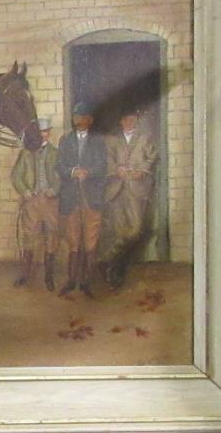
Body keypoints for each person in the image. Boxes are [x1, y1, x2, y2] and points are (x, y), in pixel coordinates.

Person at [101, 109, 159, 289]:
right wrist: (116, 169)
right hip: (116, 190)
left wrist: (141, 171)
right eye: (126, 119)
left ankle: (110, 258)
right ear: (121, 121)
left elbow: (152, 158)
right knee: (119, 230)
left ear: (136, 120)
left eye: (132, 119)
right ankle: (115, 271)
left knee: (135, 230)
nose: (129, 122)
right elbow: (107, 160)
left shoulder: (144, 138)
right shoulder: (112, 140)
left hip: (136, 190)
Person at [55, 103, 106, 297]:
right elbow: (59, 166)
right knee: (73, 242)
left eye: (82, 116)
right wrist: (73, 172)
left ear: (90, 120)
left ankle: (87, 282)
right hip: (71, 199)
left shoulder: (98, 142)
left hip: (91, 199)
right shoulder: (65, 141)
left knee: (90, 243)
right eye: (75, 116)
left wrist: (88, 172)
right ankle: (71, 281)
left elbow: (102, 166)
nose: (78, 120)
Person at [11, 116, 60, 289]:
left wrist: (54, 189)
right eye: (40, 132)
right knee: (29, 237)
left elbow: (61, 175)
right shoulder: (25, 153)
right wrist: (25, 191)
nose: (42, 135)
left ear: (49, 133)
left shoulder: (56, 153)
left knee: (51, 236)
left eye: (45, 132)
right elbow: (16, 175)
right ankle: (25, 275)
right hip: (31, 201)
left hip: (50, 201)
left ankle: (49, 277)